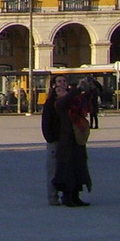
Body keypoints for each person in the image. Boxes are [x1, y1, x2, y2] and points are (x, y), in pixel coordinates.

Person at [52, 85, 93, 207]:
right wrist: (77, 89)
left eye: (63, 89)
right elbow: (66, 99)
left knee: (79, 169)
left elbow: (86, 100)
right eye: (58, 91)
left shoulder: (74, 104)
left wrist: (91, 89)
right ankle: (68, 197)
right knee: (67, 171)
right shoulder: (59, 104)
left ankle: (76, 196)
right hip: (66, 144)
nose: (62, 91)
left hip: (77, 142)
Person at [41, 77, 68, 205]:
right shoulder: (50, 103)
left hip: (67, 141)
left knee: (66, 169)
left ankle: (66, 195)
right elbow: (46, 123)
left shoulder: (69, 101)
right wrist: (50, 138)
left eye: (64, 81)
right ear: (53, 86)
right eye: (59, 82)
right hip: (55, 141)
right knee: (53, 169)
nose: (62, 84)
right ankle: (52, 196)